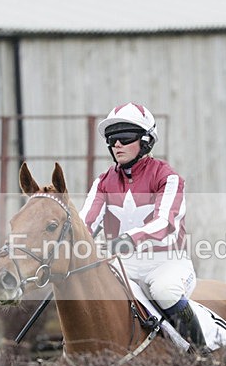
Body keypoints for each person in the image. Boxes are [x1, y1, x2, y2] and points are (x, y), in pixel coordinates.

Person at [78, 102, 205, 350]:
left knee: (165, 291)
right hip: (122, 265)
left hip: (166, 262)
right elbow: (85, 224)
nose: (117, 145)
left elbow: (164, 224)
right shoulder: (102, 182)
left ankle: (201, 355)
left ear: (146, 140)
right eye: (112, 139)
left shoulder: (167, 177)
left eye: (124, 137)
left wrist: (126, 240)